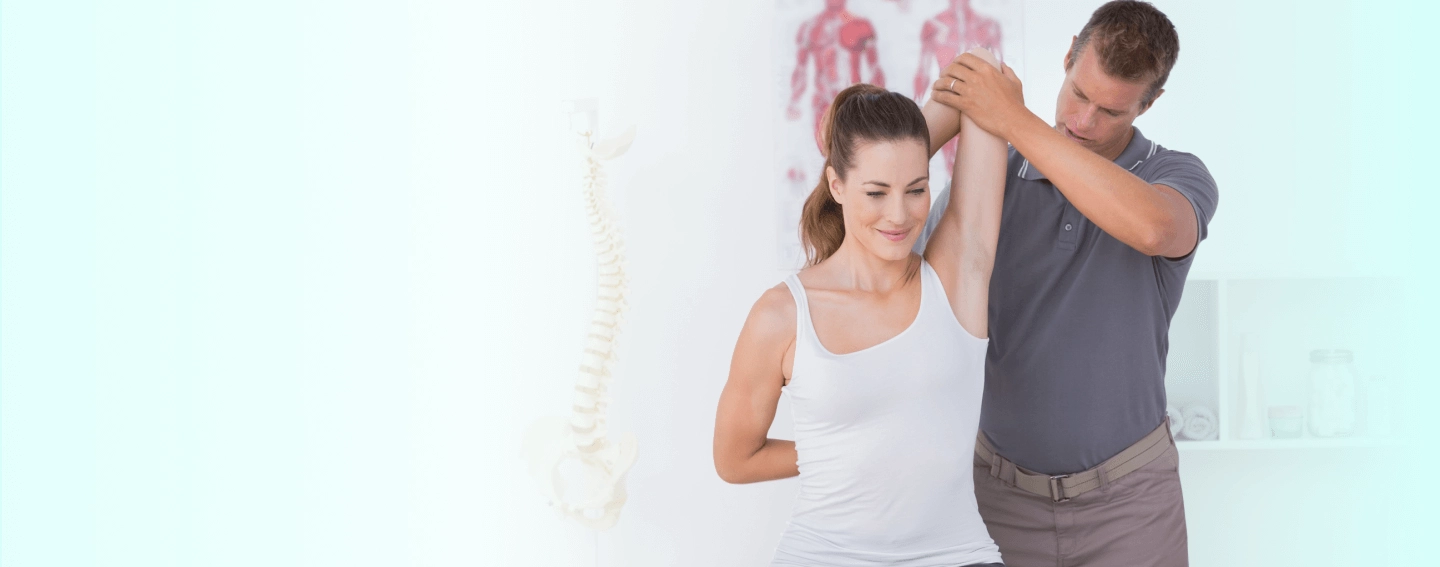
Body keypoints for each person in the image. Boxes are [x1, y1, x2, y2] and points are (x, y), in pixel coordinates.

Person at [916, 2, 1219, 566]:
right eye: (1078, 94)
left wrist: (1013, 119)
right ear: (1067, 57)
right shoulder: (996, 178)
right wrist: (952, 112)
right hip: (998, 498)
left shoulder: (1175, 175)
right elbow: (905, 275)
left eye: (1110, 111)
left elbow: (1155, 229)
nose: (1082, 122)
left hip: (1132, 504)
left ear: (1149, 104)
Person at [713, 51, 1008, 566]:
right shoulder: (782, 315)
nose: (899, 214)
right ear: (836, 185)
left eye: (916, 189)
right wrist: (840, 453)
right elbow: (735, 459)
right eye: (875, 192)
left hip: (957, 555)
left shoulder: (956, 279)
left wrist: (892, 137)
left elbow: (986, 73)